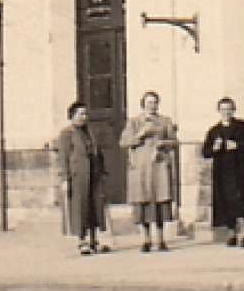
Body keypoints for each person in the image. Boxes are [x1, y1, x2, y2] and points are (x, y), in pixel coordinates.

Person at [119, 91, 177, 253]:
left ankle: (160, 239)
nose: (152, 105)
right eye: (149, 102)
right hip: (141, 167)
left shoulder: (165, 121)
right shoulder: (134, 122)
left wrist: (163, 143)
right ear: (143, 104)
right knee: (143, 201)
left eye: (154, 102)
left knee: (159, 201)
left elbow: (174, 141)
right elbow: (123, 142)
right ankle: (146, 239)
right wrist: (140, 134)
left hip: (158, 166)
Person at [204, 97, 244, 247]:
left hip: (241, 169)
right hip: (223, 171)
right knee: (227, 202)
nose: (226, 112)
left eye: (229, 109)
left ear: (233, 110)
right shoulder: (214, 131)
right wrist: (214, 149)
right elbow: (205, 151)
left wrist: (237, 145)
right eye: (223, 110)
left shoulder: (242, 126)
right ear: (219, 111)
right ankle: (231, 234)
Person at [56, 101, 110, 255]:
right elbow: (63, 157)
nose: (84, 117)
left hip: (94, 174)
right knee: (80, 208)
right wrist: (65, 178)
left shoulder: (91, 132)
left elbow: (98, 153)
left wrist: (103, 171)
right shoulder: (67, 134)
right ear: (72, 116)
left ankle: (94, 240)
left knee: (95, 206)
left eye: (85, 114)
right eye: (80, 114)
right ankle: (82, 241)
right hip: (78, 176)